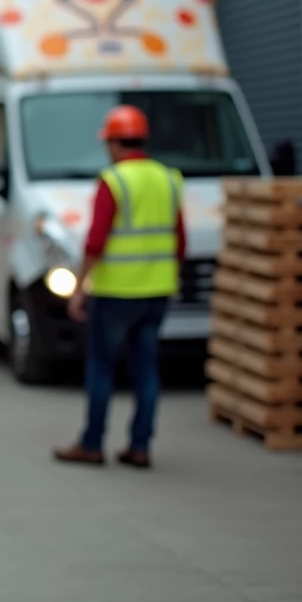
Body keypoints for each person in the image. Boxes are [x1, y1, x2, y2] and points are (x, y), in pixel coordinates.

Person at [53, 104, 186, 470]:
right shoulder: (168, 178)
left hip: (116, 293)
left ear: (114, 143)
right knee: (146, 367)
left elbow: (95, 242)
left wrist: (79, 287)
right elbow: (180, 240)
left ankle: (92, 443)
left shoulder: (114, 181)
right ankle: (140, 446)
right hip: (157, 291)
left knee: (101, 368)